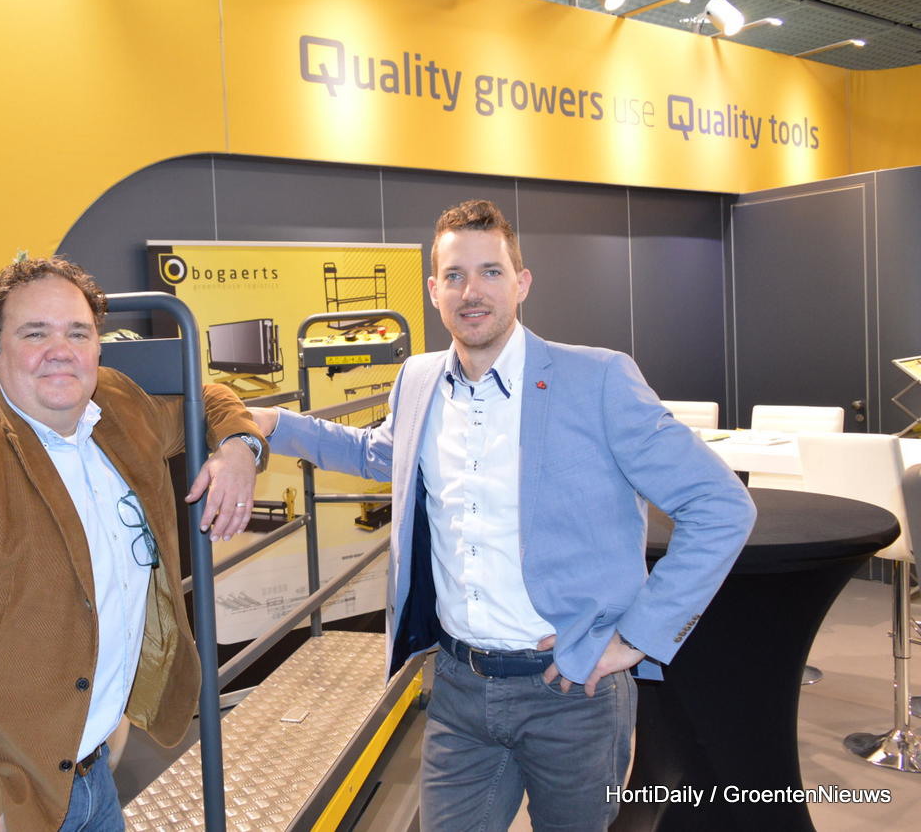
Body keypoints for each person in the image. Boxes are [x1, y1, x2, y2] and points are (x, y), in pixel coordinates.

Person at [250, 200, 756, 831]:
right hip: (458, 688)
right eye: (455, 275)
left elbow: (720, 505)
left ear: (522, 282)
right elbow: (378, 453)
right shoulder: (418, 379)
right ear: (433, 291)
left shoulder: (597, 379)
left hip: (572, 692)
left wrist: (636, 638)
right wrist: (270, 423)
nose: (472, 291)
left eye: (491, 271)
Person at [0, 257, 266, 832]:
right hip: (0, 796)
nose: (61, 351)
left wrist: (241, 449)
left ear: (97, 346)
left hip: (90, 776)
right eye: (35, 334)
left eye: (78, 333)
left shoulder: (116, 409)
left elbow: (210, 398)